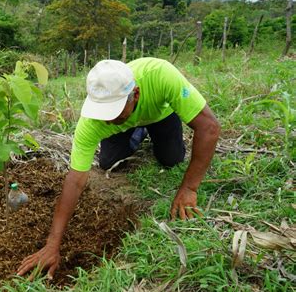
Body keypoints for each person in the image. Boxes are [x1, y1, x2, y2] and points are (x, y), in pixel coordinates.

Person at [17, 57, 220, 280]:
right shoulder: (97, 121)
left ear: (136, 94)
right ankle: (138, 132)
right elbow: (75, 181)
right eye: (103, 112)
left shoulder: (161, 75)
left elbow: (209, 127)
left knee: (171, 159)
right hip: (128, 121)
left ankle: (152, 132)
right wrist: (52, 245)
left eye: (113, 111)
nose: (107, 119)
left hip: (160, 114)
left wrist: (189, 188)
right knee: (108, 161)